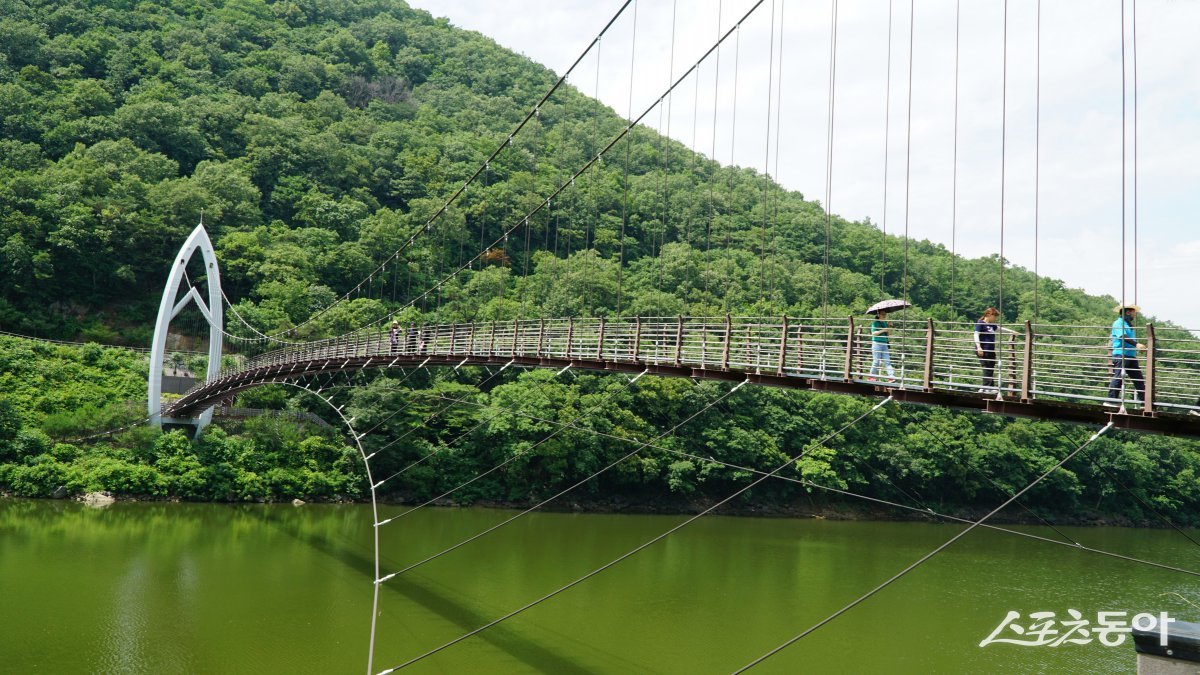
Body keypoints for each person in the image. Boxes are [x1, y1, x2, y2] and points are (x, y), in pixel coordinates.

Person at [1107, 304, 1145, 406]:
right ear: (1128, 312)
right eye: (1134, 312)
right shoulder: (1118, 323)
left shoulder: (1127, 324)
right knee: (1119, 377)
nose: (1134, 315)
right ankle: (1111, 400)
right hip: (1121, 354)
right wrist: (1136, 344)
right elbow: (1123, 336)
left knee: (1138, 379)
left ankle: (1145, 402)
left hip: (1130, 355)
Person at [974, 307, 1015, 393]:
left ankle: (990, 387)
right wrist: (979, 347)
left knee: (990, 367)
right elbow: (976, 334)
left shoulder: (991, 325)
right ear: (989, 314)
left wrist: (1011, 331)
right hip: (983, 349)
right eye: (995, 316)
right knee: (986, 367)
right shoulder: (980, 323)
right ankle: (985, 387)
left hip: (991, 350)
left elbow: (999, 329)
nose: (995, 318)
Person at [868, 310, 896, 382]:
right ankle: (871, 376)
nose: (884, 316)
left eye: (885, 314)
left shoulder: (885, 323)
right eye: (883, 314)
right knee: (876, 361)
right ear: (878, 315)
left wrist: (890, 326)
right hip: (877, 343)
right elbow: (874, 333)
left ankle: (891, 376)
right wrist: (883, 330)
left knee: (887, 361)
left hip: (884, 343)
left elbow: (889, 333)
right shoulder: (875, 323)